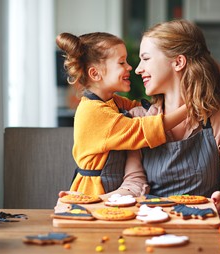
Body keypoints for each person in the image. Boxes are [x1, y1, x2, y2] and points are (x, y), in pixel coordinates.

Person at [121, 19, 220, 213]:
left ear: (178, 62)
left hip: (203, 226)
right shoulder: (138, 120)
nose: (138, 68)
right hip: (150, 225)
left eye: (146, 58)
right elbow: (134, 184)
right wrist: (102, 200)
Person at [56, 32, 187, 196]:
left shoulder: (112, 102)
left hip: (112, 190)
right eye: (121, 62)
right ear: (95, 73)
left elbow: (144, 110)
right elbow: (143, 129)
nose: (130, 67)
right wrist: (189, 108)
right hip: (94, 193)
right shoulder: (94, 113)